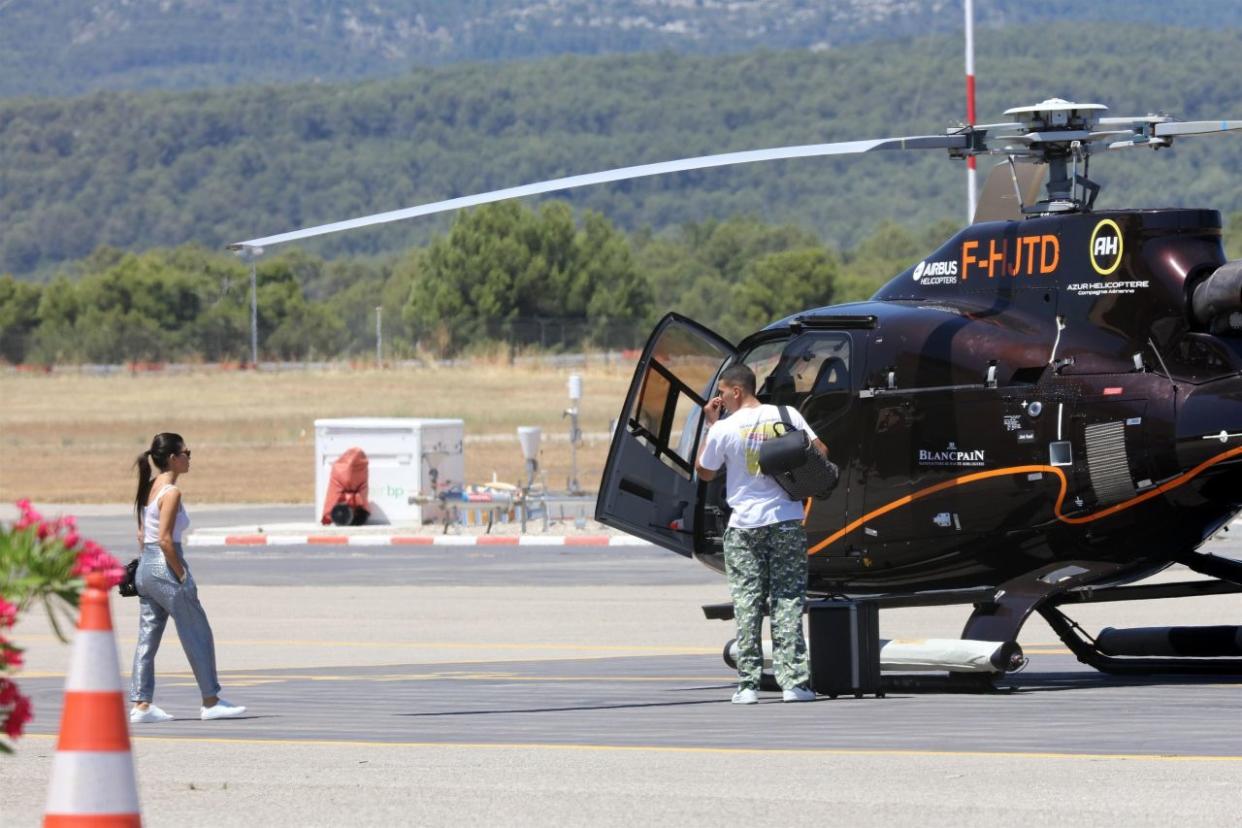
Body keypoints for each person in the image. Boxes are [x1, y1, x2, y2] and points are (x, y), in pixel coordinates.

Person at [695, 364, 827, 704]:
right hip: (785, 519)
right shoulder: (787, 414)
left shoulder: (724, 428)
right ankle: (794, 683)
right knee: (787, 600)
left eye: (722, 393)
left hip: (745, 526)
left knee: (748, 603)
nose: (720, 399)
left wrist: (712, 424)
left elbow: (705, 472)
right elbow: (822, 452)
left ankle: (748, 685)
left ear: (736, 391)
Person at [128, 433, 246, 723]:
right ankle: (211, 700)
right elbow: (166, 540)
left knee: (147, 637)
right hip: (165, 565)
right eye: (186, 453)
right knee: (197, 632)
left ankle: (142, 705)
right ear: (172, 458)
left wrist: (147, 568)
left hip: (146, 567)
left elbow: (143, 535)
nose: (189, 458)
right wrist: (182, 576)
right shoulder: (170, 492)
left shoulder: (148, 488)